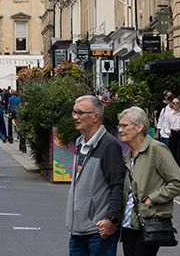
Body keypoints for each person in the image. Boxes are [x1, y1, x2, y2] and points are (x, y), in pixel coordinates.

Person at [117, 106, 180, 256]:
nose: (120, 129)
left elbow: (178, 182)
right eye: (119, 125)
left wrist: (152, 198)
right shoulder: (128, 155)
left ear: (139, 127)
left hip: (149, 220)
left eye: (124, 125)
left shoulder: (157, 149)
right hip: (128, 223)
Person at [67, 95, 126, 256]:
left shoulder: (109, 145)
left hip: (99, 231)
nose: (75, 117)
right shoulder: (80, 143)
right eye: (74, 112)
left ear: (95, 116)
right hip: (78, 230)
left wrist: (112, 219)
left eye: (80, 113)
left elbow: (117, 185)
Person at [155, 98, 180, 173]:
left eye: (177, 103)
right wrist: (168, 131)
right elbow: (165, 124)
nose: (176, 104)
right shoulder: (169, 114)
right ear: (171, 104)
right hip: (172, 134)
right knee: (172, 154)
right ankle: (174, 173)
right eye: (174, 103)